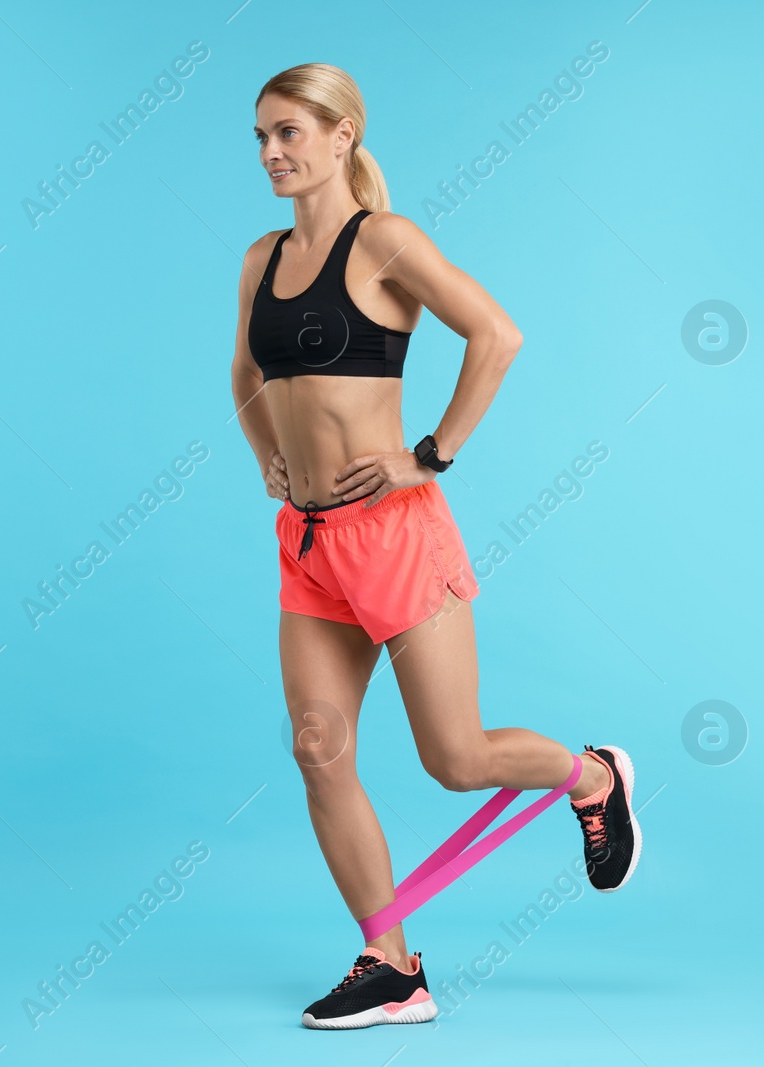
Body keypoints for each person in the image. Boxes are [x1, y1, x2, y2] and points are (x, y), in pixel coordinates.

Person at [230, 63, 642, 1029]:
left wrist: (431, 456)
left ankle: (594, 775)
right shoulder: (260, 258)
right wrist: (267, 459)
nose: (271, 152)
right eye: (259, 137)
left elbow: (495, 335)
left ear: (342, 136)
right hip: (309, 542)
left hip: (394, 536)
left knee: (454, 758)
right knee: (318, 750)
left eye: (289, 132)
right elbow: (247, 373)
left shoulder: (386, 242)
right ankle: (393, 964)